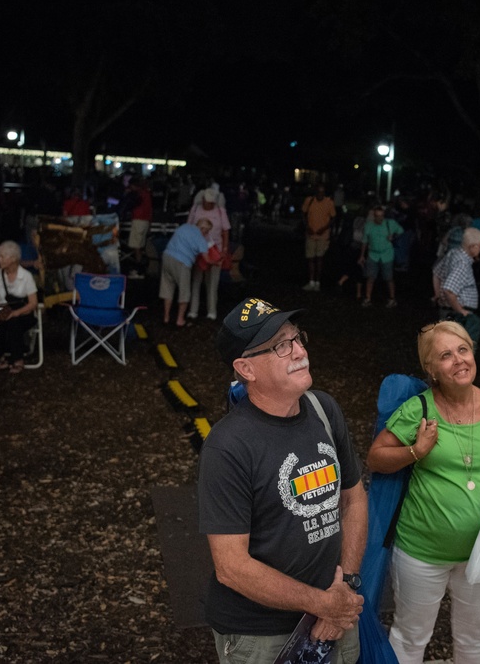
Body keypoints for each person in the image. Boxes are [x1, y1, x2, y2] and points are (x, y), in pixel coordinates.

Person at [199, 298, 366, 663]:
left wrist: (346, 586)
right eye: (281, 345)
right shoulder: (227, 447)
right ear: (246, 368)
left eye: (297, 338)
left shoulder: (324, 410)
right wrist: (323, 604)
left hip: (337, 612)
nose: (300, 351)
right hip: (261, 636)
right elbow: (231, 568)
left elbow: (354, 498)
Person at [367, 320, 480, 664]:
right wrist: (416, 452)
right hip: (421, 552)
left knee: (474, 637)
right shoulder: (418, 410)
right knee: (410, 637)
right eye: (446, 355)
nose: (459, 360)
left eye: (463, 350)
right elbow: (376, 458)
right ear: (431, 369)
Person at [0, 241, 38, 373]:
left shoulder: (26, 276)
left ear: (13, 259)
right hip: (3, 310)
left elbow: (33, 303)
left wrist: (16, 313)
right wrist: (0, 311)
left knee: (14, 322)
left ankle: (18, 358)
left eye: (2, 257)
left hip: (23, 313)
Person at [434, 228, 480, 347]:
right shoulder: (462, 264)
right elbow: (449, 290)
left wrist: (437, 294)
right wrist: (460, 310)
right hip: (459, 314)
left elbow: (436, 273)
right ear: (472, 246)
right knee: (462, 348)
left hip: (447, 310)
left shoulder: (453, 253)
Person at [186, 187, 230, 321]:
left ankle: (212, 311)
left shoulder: (220, 211)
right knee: (196, 280)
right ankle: (193, 310)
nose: (209, 204)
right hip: (198, 250)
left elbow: (225, 230)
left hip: (215, 250)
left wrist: (224, 249)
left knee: (212, 283)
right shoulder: (195, 209)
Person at [159, 218, 211, 327]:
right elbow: (206, 259)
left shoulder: (184, 227)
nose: (207, 234)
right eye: (207, 231)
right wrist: (217, 262)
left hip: (167, 256)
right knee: (184, 291)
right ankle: (180, 319)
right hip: (182, 262)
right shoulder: (201, 239)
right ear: (203, 228)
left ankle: (166, 317)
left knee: (167, 287)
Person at [359, 205, 403, 308]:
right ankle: (368, 298)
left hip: (386, 254)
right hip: (373, 254)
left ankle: (392, 298)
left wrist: (394, 237)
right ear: (374, 216)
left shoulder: (390, 223)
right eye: (377, 216)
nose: (380, 218)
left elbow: (400, 231)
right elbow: (364, 241)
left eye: (382, 216)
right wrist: (362, 255)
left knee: (389, 278)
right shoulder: (368, 226)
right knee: (370, 277)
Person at [302, 184, 337, 291]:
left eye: (322, 192)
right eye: (318, 192)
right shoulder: (309, 200)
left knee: (319, 258)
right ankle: (311, 281)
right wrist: (307, 226)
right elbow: (303, 213)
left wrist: (324, 228)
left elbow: (333, 217)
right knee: (311, 258)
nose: (320, 195)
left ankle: (317, 282)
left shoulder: (329, 202)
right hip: (311, 233)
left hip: (323, 235)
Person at [124, 177, 154, 279]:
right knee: (140, 245)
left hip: (138, 220)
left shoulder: (139, 194)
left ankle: (139, 270)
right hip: (145, 221)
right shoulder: (147, 194)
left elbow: (131, 204)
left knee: (136, 246)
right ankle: (141, 268)